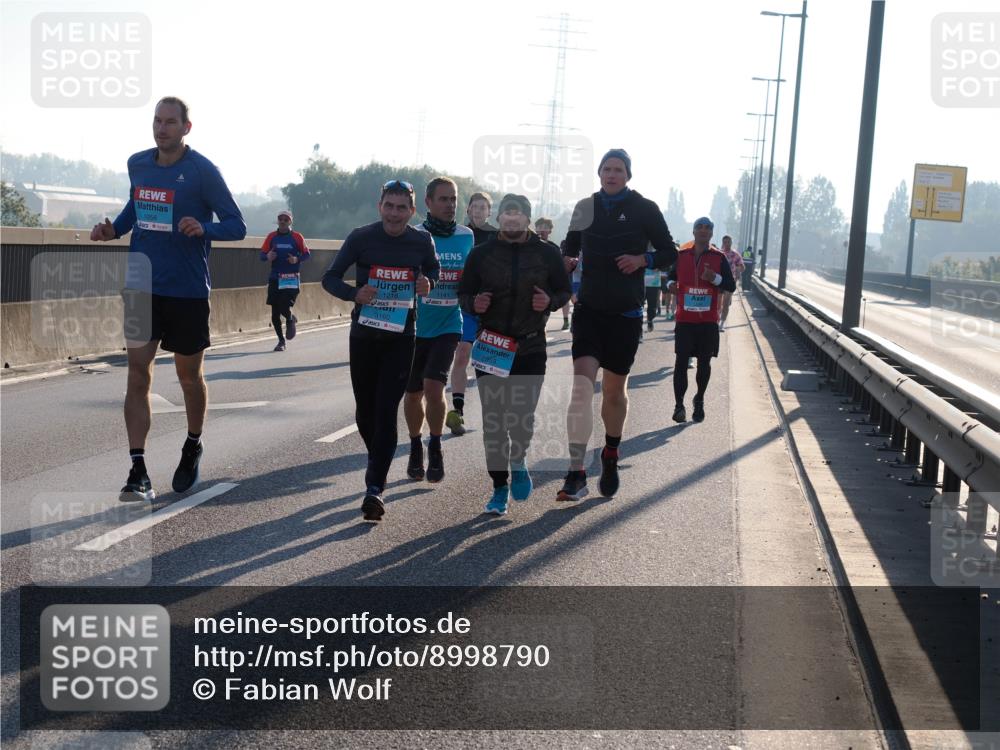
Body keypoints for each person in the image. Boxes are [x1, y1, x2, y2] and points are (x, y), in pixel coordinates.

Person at [90, 96, 246, 502]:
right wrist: (113, 230)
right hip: (142, 284)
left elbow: (237, 225)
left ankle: (193, 442)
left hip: (187, 290)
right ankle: (138, 469)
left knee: (188, 378)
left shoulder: (202, 171)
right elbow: (135, 206)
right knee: (137, 373)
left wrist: (203, 228)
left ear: (186, 128)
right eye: (157, 121)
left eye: (170, 123)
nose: (162, 129)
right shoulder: (137, 163)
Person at [558, 149, 677, 501]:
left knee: (613, 392)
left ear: (628, 175)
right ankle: (576, 472)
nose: (612, 174)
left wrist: (644, 259)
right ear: (598, 173)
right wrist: (567, 257)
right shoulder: (584, 208)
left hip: (625, 313)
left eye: (618, 170)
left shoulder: (645, 209)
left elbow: (670, 253)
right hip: (590, 310)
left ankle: (610, 453)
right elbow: (571, 244)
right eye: (606, 169)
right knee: (581, 389)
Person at [322, 179, 439, 522]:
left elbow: (432, 269)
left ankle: (374, 487)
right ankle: (380, 457)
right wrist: (352, 295)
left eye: (402, 207)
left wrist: (427, 282)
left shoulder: (421, 240)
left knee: (386, 410)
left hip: (401, 337)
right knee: (365, 411)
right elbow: (330, 278)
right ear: (380, 206)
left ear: (412, 211)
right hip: (364, 336)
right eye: (389, 205)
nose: (394, 213)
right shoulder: (361, 237)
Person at [458, 194, 571, 515]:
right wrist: (473, 303)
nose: (511, 219)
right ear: (500, 217)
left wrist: (548, 301)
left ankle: (518, 459)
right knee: (494, 421)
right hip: (492, 344)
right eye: (506, 213)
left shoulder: (547, 253)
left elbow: (565, 291)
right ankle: (498, 488)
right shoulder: (482, 254)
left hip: (530, 345)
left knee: (521, 418)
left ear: (527, 218)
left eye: (517, 213)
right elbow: (464, 293)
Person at [404, 178, 474, 482]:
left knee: (433, 388)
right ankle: (415, 445)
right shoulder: (414, 236)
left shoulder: (466, 236)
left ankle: (435, 444)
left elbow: (473, 278)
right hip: (414, 326)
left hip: (449, 323)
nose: (450, 205)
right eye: (443, 199)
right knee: (412, 393)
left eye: (454, 199)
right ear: (428, 203)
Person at [666, 217, 736, 423]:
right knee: (681, 362)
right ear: (694, 232)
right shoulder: (681, 255)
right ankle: (679, 405)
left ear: (712, 234)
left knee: (704, 363)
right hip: (685, 320)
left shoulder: (719, 257)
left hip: (707, 322)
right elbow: (670, 277)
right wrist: (670, 284)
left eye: (708, 228)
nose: (704, 231)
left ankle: (700, 400)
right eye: (700, 227)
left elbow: (730, 286)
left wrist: (713, 277)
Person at [446, 192, 500, 436]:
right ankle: (458, 411)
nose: (478, 211)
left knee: (493, 362)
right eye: (474, 207)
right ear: (467, 211)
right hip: (467, 304)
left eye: (483, 207)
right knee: (462, 354)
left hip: (494, 308)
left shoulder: (499, 237)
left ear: (490, 212)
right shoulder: (459, 235)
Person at [260, 209, 310, 351]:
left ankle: (289, 318)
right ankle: (281, 341)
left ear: (290, 222)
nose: (282, 222)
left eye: (285, 219)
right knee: (275, 312)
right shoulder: (271, 237)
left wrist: (296, 259)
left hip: (291, 278)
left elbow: (307, 254)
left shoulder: (297, 237)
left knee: (284, 306)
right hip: (275, 277)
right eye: (280, 219)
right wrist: (267, 256)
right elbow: (262, 255)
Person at [535, 217, 570, 330]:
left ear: (550, 230)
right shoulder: (527, 245)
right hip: (527, 292)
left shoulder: (553, 249)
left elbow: (559, 274)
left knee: (539, 326)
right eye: (540, 227)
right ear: (535, 229)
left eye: (545, 227)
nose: (542, 230)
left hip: (545, 292)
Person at [717, 234, 743, 331]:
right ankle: (717, 320)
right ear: (722, 243)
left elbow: (742, 267)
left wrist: (737, 268)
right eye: (725, 242)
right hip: (719, 280)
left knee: (726, 303)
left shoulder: (735, 254)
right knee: (718, 303)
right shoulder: (718, 253)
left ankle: (722, 323)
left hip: (730, 281)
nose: (726, 244)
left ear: (731, 243)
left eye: (728, 242)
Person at [643, 254, 661, 334]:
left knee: (652, 307)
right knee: (639, 306)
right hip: (641, 282)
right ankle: (639, 331)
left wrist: (660, 266)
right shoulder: (640, 246)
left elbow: (667, 264)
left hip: (654, 283)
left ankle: (650, 320)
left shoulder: (659, 249)